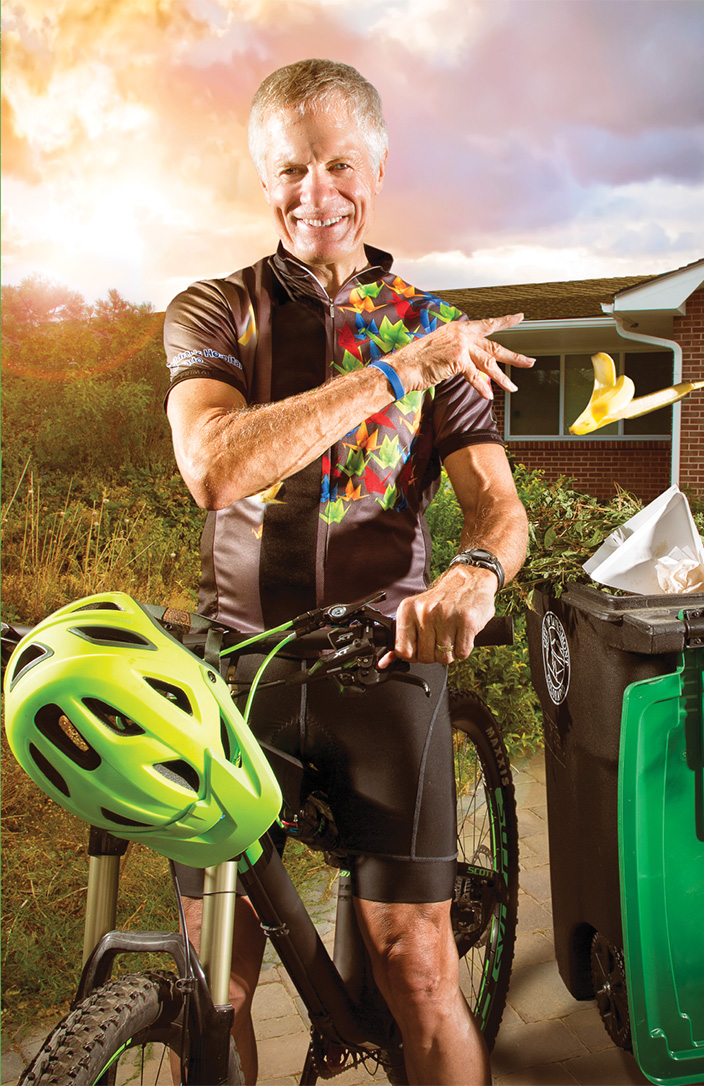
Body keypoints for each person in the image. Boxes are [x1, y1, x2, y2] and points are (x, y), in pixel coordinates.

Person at [162, 58, 535, 1085]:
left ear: (376, 165)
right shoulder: (215, 312)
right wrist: (395, 371)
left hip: (385, 663)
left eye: (337, 164)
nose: (314, 192)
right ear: (261, 175)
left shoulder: (435, 321)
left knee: (417, 965)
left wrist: (472, 574)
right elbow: (216, 466)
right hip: (238, 673)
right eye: (290, 169)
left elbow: (501, 510)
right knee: (212, 980)